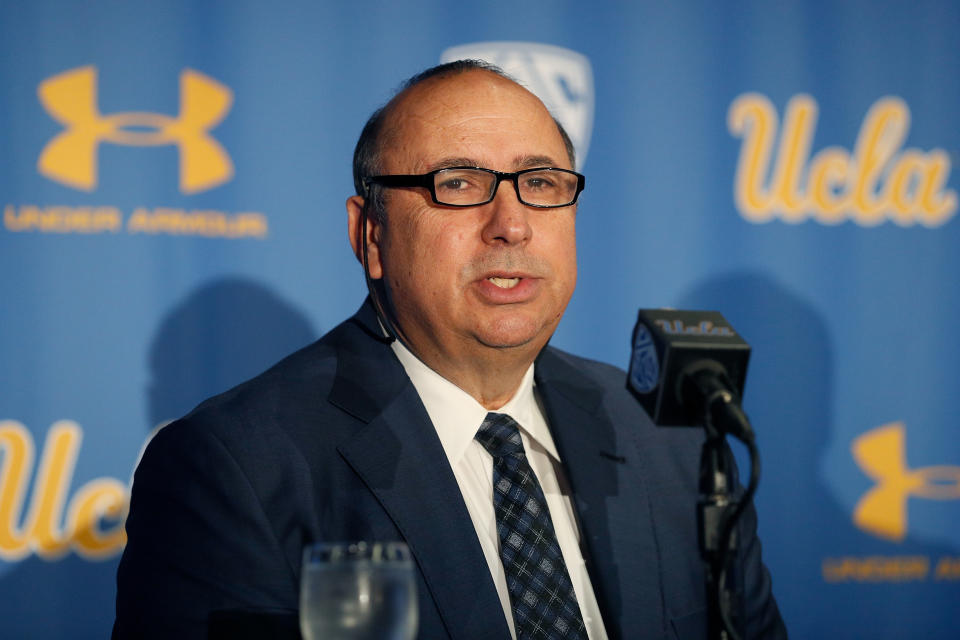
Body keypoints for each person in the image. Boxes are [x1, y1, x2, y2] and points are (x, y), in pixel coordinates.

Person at [114, 60, 786, 639]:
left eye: (542, 182)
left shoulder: (674, 444)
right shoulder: (235, 470)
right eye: (458, 184)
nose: (512, 224)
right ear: (370, 234)